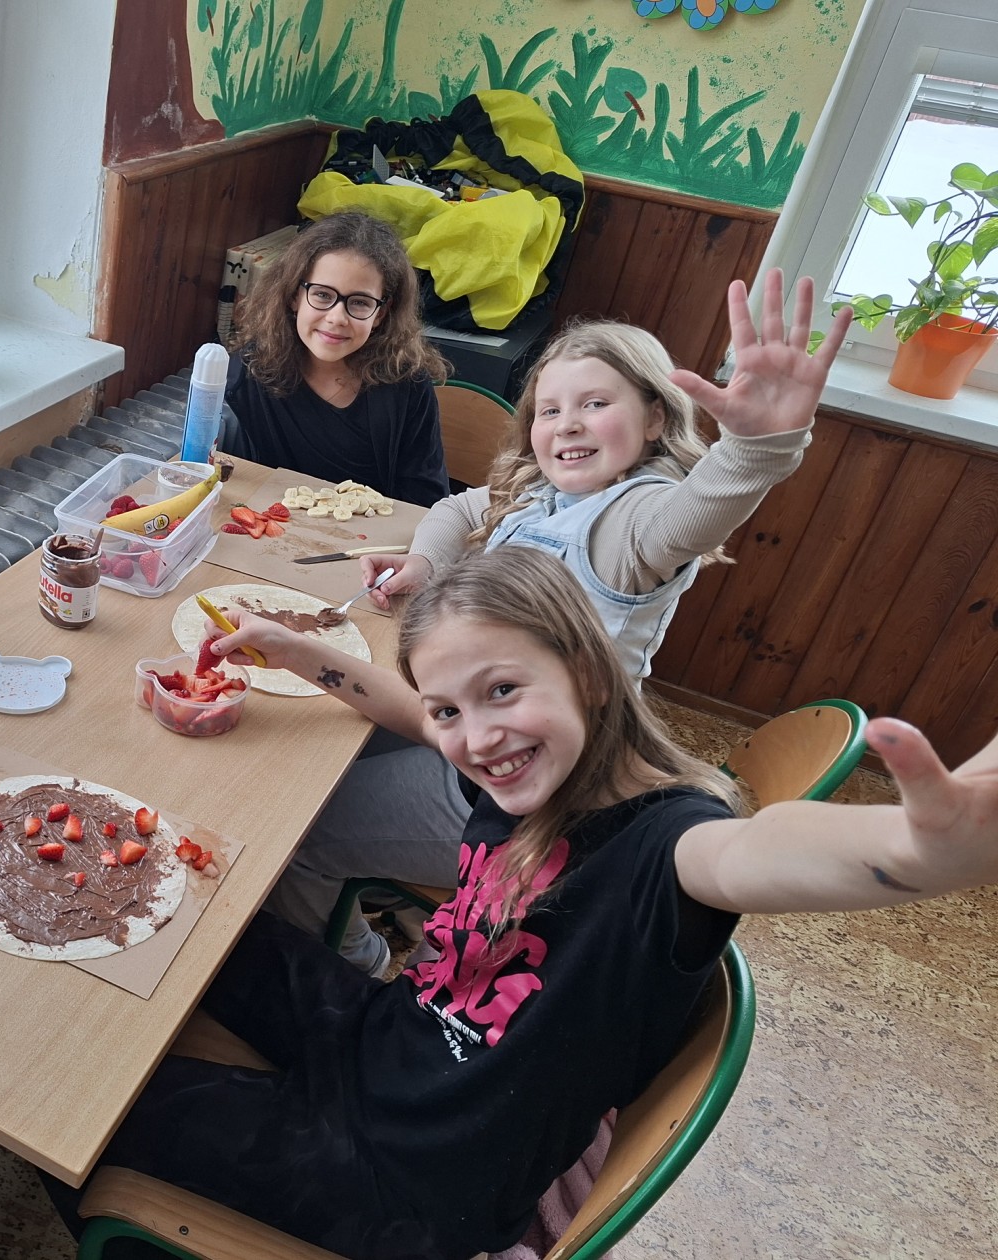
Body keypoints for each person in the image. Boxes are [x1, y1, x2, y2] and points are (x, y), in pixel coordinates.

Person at [83, 545, 998, 1260]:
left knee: (87, 1123)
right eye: (453, 710)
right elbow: (416, 714)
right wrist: (302, 654)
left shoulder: (673, 846)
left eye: (503, 691)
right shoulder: (530, 776)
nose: (477, 738)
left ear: (590, 674)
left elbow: (761, 850)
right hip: (382, 1045)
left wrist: (913, 854)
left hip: (411, 1185)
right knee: (193, 920)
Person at [255, 268, 855, 972]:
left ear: (655, 419)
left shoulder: (634, 522)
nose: (567, 422)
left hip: (524, 798)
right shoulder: (542, 492)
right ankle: (386, 900)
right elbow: (458, 508)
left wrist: (756, 449)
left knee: (297, 830)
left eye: (595, 404)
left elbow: (695, 514)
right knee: (310, 750)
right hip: (473, 732)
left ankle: (357, 962)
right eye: (549, 409)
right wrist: (425, 560)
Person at [220, 209, 452, 506]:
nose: (337, 317)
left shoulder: (408, 384)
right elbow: (227, 484)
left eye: (360, 302)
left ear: (381, 313)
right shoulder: (249, 371)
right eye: (322, 295)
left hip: (373, 533)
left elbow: (426, 499)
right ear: (294, 296)